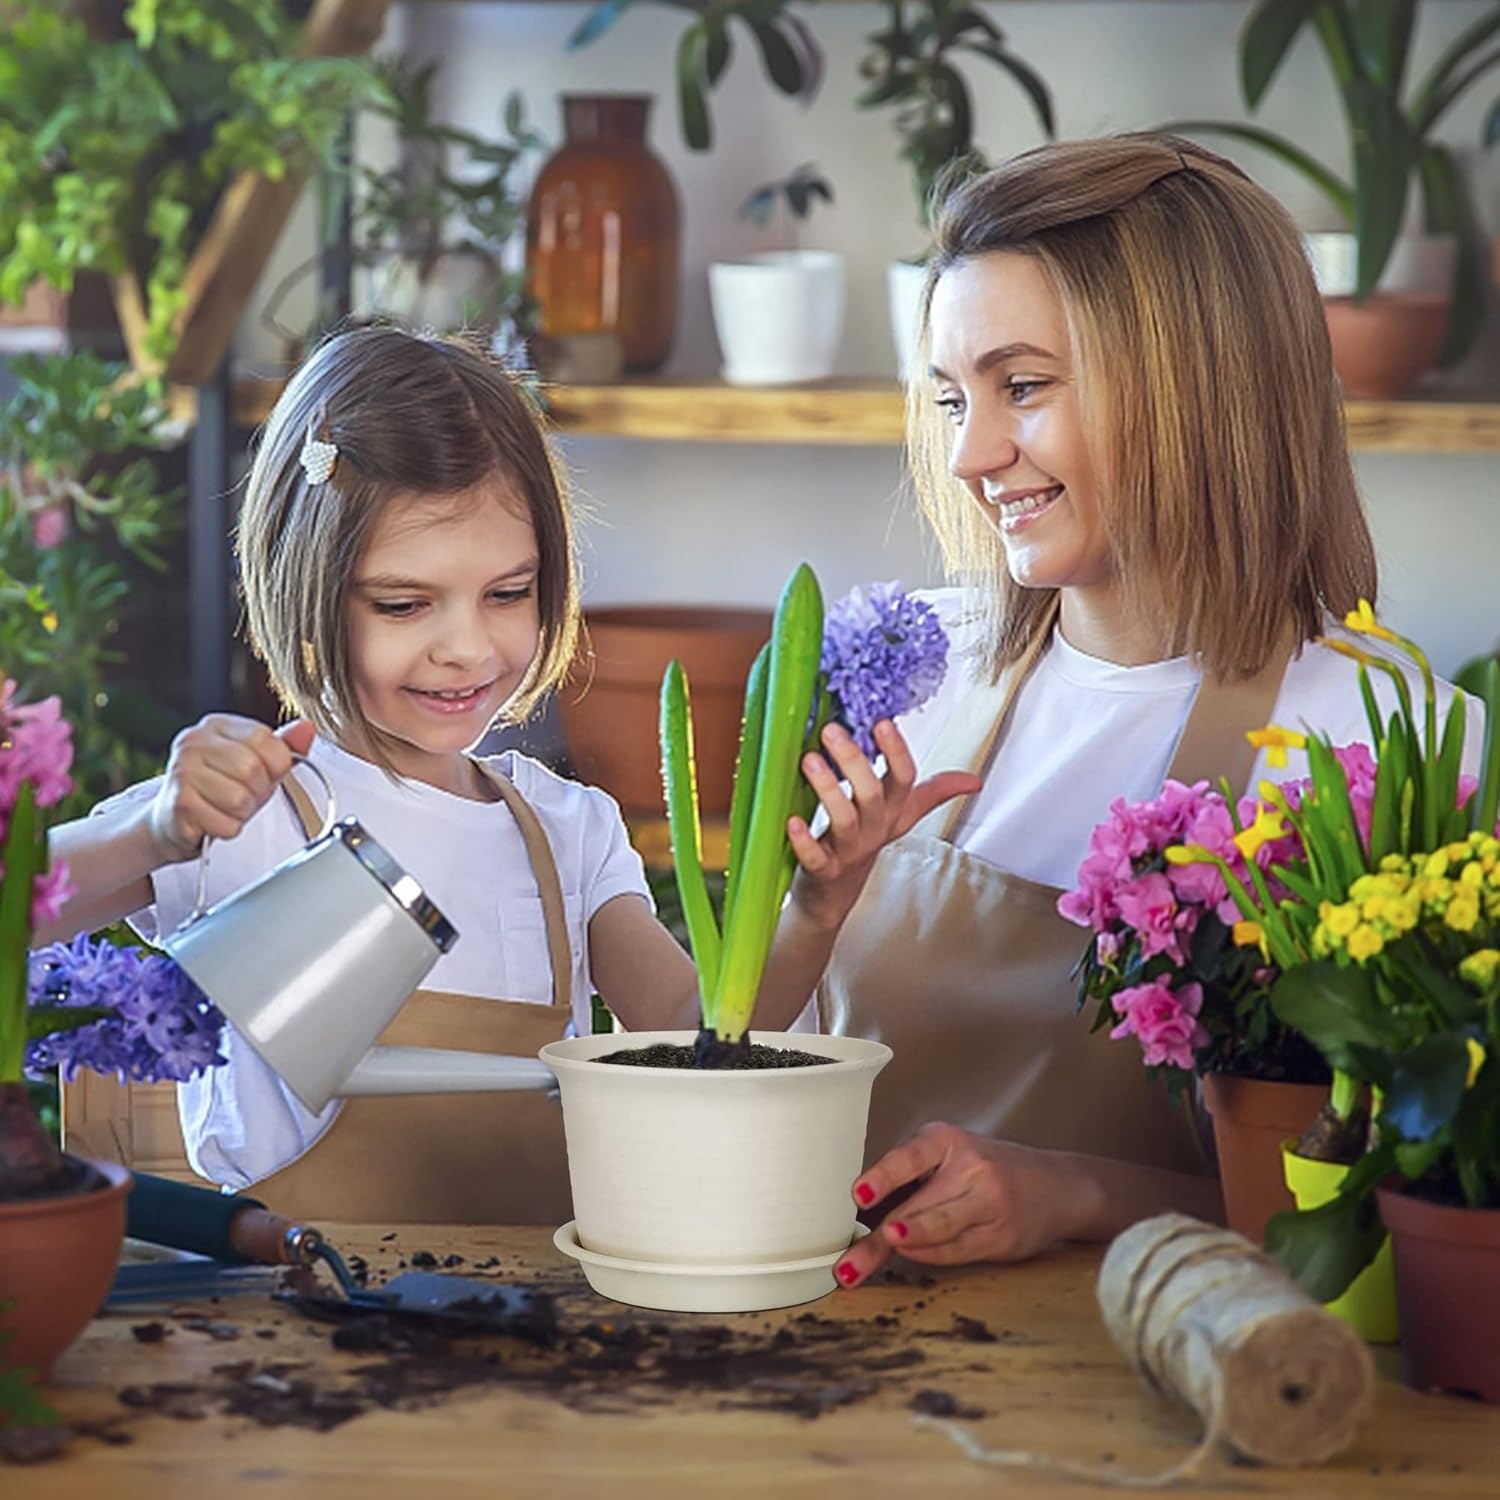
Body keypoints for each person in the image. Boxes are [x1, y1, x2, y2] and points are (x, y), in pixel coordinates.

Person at [43, 325, 970, 1224]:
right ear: (303, 583)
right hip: (294, 1332)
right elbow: (25, 905)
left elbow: (707, 1041)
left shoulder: (567, 832)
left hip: (535, 1330)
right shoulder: (246, 810)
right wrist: (153, 832)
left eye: (509, 594)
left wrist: (813, 912)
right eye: (404, 604)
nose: (469, 648)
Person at [814, 135, 1485, 1289]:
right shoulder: (931, 669)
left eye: (1021, 387)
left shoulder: (1381, 744)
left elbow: (1411, 1208)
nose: (971, 453)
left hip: (1160, 1393)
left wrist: (1072, 1192)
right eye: (949, 396)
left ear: (1197, 382)